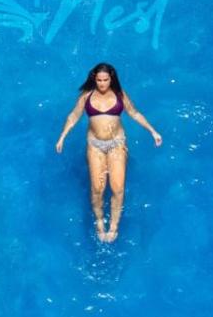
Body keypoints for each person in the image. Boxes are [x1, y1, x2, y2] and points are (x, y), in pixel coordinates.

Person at [55, 63, 162, 243]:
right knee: (97, 188)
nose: (102, 84)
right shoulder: (86, 96)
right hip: (95, 145)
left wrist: (153, 131)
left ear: (111, 79)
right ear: (94, 79)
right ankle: (99, 223)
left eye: (105, 80)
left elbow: (134, 113)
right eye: (99, 80)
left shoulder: (120, 94)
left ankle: (113, 226)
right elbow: (73, 116)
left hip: (116, 144)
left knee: (117, 188)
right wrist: (62, 136)